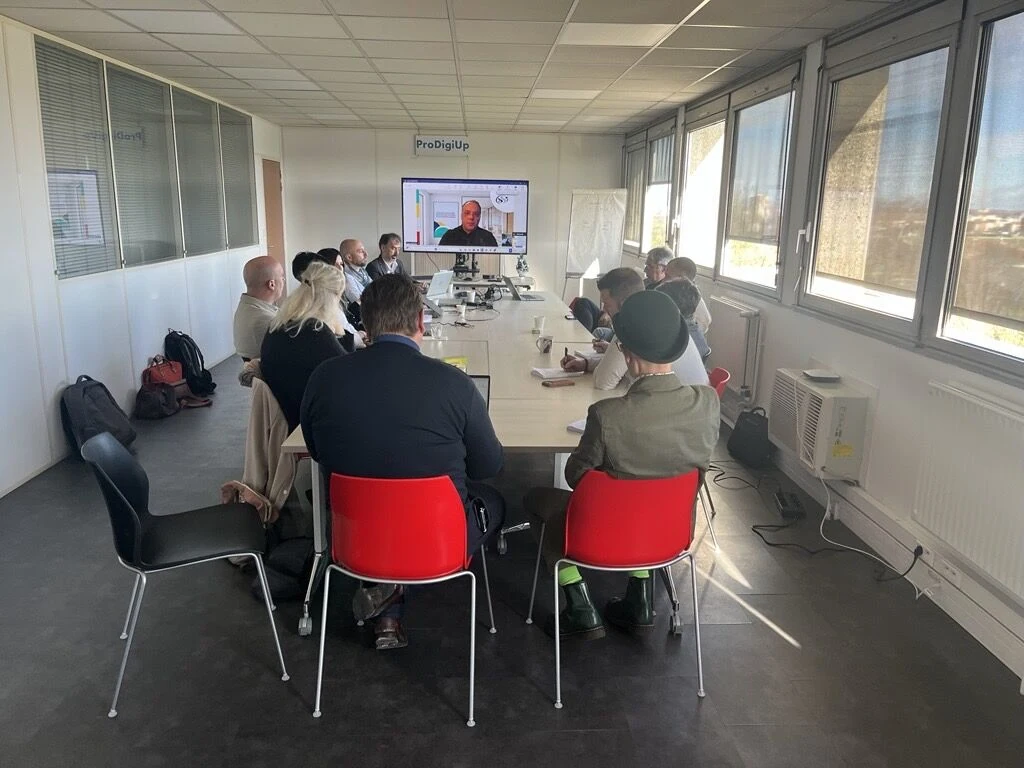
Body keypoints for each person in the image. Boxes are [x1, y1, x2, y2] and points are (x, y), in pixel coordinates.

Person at [300, 274, 506, 650]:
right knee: (493, 501)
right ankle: (393, 599)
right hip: (439, 542)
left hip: (354, 538)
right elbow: (487, 467)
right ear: (420, 322)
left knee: (377, 499)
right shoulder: (455, 384)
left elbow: (317, 453)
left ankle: (388, 609)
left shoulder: (324, 376)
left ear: (365, 323)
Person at [524, 290, 720, 639]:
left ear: (625, 354)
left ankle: (580, 605)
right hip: (670, 534)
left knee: (539, 503)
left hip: (599, 534)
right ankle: (640, 600)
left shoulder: (607, 415)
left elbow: (575, 477)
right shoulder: (708, 403)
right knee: (646, 495)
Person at [259, 261, 347, 432]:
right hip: (310, 421)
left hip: (291, 410)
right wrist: (339, 329)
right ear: (332, 297)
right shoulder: (315, 331)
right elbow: (348, 373)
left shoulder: (281, 325)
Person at [560, 267, 644, 390]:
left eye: (607, 304)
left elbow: (603, 381)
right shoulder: (643, 318)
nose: (604, 310)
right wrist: (587, 364)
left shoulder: (629, 328)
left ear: (625, 303)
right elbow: (620, 367)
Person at [293, 250, 365, 350]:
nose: (339, 269)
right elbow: (336, 348)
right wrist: (357, 339)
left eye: (341, 264)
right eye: (328, 269)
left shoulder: (292, 308)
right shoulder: (313, 320)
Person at [655, 281, 711, 384]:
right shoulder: (695, 329)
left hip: (681, 390)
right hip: (696, 389)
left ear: (671, 308)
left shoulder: (676, 339)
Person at [233, 255, 285, 361]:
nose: (283, 279)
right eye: (281, 276)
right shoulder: (264, 320)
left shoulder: (248, 306)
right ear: (272, 284)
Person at [664, 257, 712, 334]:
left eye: (668, 276)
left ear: (681, 279)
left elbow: (705, 322)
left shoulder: (692, 299)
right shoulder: (671, 291)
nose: (664, 279)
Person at [340, 238, 373, 306]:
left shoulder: (362, 271)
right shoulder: (346, 278)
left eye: (364, 250)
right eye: (361, 251)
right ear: (349, 257)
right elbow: (361, 303)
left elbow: (375, 288)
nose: (366, 254)